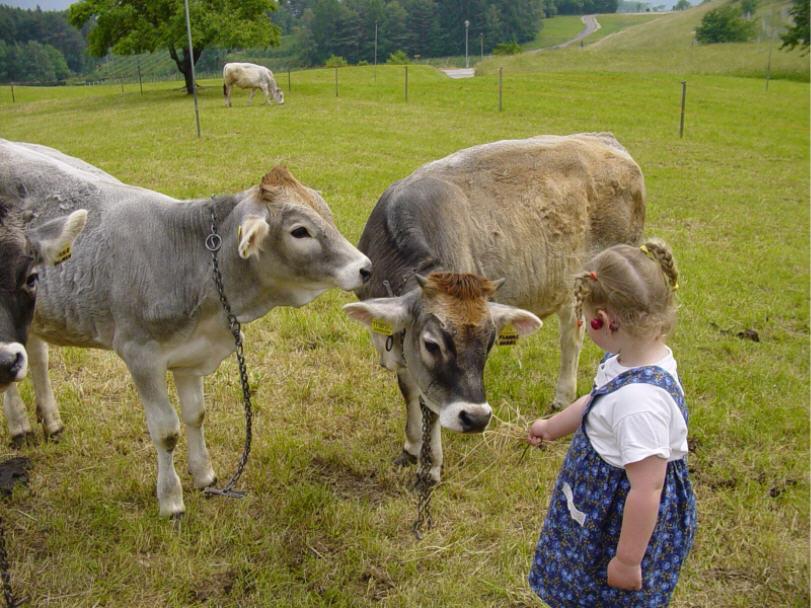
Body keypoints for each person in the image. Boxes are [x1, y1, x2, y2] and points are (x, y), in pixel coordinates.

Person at [526, 239, 697, 607]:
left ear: (605, 320)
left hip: (620, 523)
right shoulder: (631, 360)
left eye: (586, 317)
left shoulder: (640, 405)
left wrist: (626, 559)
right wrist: (552, 426)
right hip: (598, 508)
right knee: (581, 581)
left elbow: (648, 490)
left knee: (604, 595)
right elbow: (598, 399)